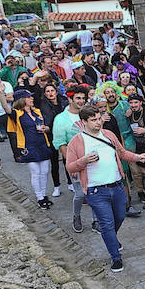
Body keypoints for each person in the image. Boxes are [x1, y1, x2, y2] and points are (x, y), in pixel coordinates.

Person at [65, 103, 145, 273]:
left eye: (99, 118)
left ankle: (111, 238)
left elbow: (122, 153)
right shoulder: (77, 142)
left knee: (119, 217)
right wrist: (84, 161)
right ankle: (115, 258)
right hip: (96, 190)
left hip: (117, 186)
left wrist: (138, 157)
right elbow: (70, 167)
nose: (98, 122)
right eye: (93, 120)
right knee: (107, 224)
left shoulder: (109, 134)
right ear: (83, 122)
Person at [52, 85, 90, 233]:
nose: (81, 101)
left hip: (92, 159)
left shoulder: (87, 113)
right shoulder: (61, 119)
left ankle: (95, 220)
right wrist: (72, 165)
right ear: (70, 99)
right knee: (80, 194)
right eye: (78, 98)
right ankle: (77, 215)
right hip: (75, 161)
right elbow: (61, 144)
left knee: (93, 192)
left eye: (83, 98)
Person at [10, 91, 54, 208]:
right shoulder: (17, 113)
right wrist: (1, 95)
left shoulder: (37, 111)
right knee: (36, 173)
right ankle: (39, 197)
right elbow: (6, 109)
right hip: (29, 145)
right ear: (22, 99)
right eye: (28, 97)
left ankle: (44, 195)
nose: (31, 98)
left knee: (44, 172)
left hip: (42, 143)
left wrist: (46, 128)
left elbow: (47, 127)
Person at [38, 84, 68, 198]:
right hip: (51, 134)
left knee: (67, 159)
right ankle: (57, 186)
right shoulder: (43, 105)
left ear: (56, 92)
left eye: (52, 90)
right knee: (54, 161)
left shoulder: (63, 101)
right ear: (45, 94)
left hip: (65, 133)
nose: (50, 93)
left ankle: (70, 182)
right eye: (48, 91)